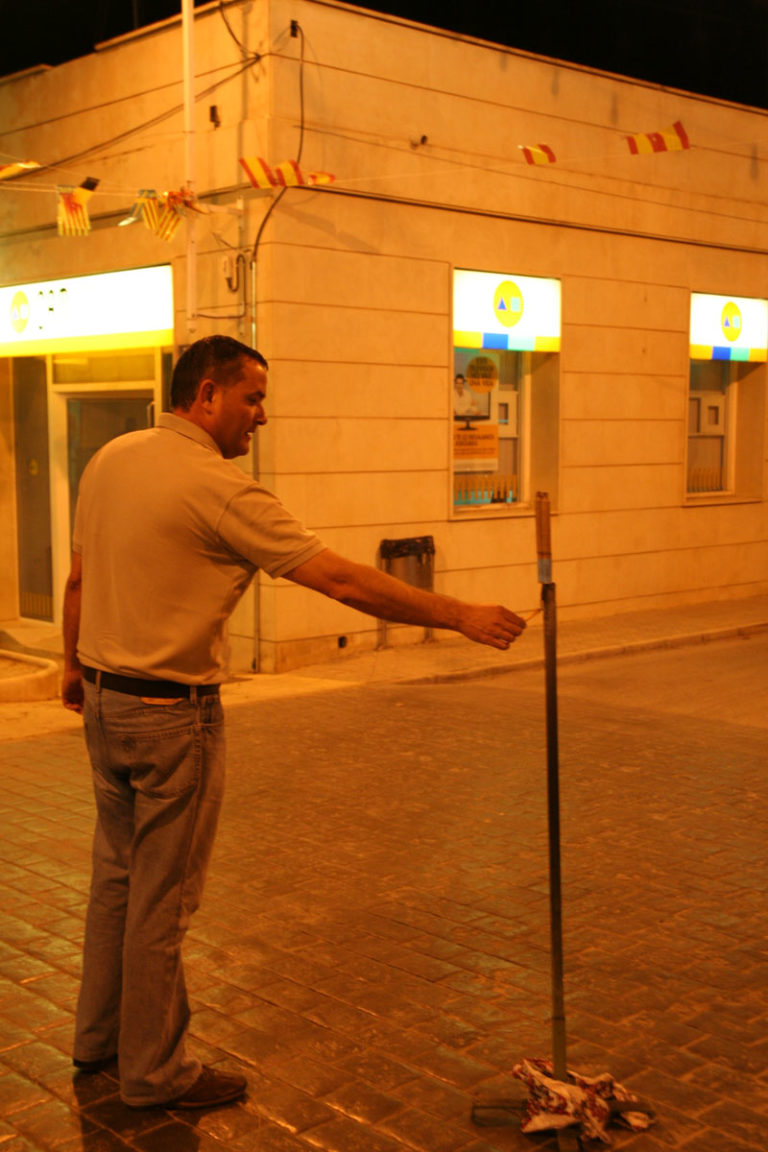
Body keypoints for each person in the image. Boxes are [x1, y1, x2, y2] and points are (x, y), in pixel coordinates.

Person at [62, 335, 526, 1111]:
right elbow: (341, 580)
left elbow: (79, 574)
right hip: (173, 717)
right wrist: (459, 614)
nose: (263, 416)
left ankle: (97, 1041)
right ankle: (154, 1071)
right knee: (162, 900)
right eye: (253, 398)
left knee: (117, 880)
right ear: (206, 396)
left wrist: (76, 669)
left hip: (105, 706)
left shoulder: (112, 457)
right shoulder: (221, 490)